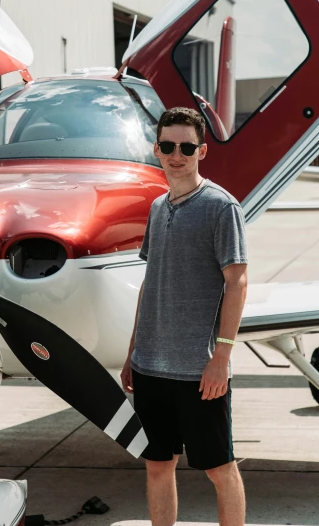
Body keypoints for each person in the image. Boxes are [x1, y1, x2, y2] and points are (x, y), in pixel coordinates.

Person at [121, 106, 248, 526]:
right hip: (150, 367)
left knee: (219, 468)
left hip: (200, 371)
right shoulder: (158, 207)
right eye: (169, 146)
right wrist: (132, 352)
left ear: (202, 151)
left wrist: (221, 358)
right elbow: (150, 282)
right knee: (157, 465)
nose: (178, 154)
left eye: (187, 147)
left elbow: (238, 282)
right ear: (157, 149)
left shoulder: (221, 207)